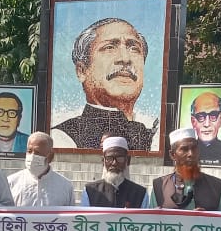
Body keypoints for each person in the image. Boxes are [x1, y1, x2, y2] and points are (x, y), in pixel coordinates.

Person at [52, 18, 157, 151]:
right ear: (82, 71)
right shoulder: (63, 137)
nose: (125, 59)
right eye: (109, 48)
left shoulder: (155, 135)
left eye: (134, 48)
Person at [188, 92, 221, 164]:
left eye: (213, 116)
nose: (207, 124)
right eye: (201, 117)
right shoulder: (186, 151)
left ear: (220, 119)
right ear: (193, 121)